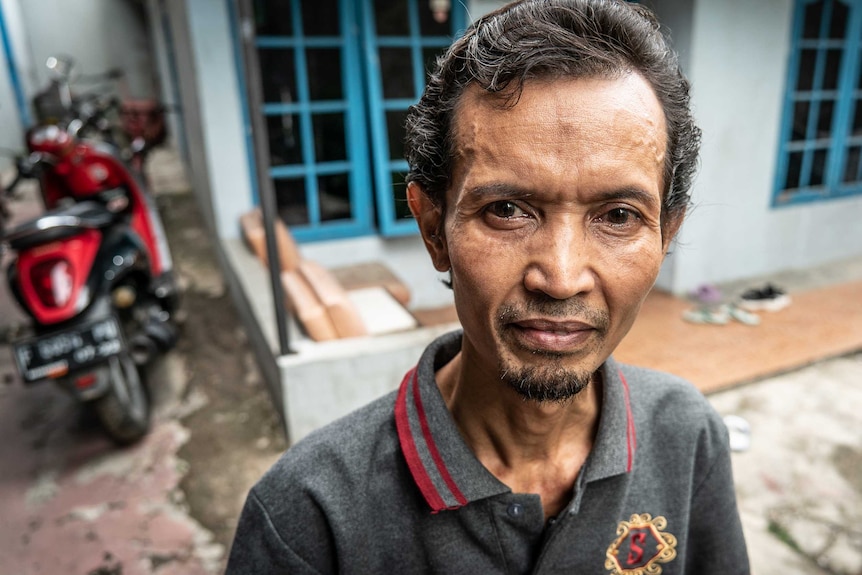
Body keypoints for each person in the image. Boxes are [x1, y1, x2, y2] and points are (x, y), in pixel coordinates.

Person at [226, 0, 750, 573]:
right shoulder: (308, 517)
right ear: (433, 228)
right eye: (507, 209)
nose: (562, 277)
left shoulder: (687, 436)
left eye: (618, 216)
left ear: (665, 233)